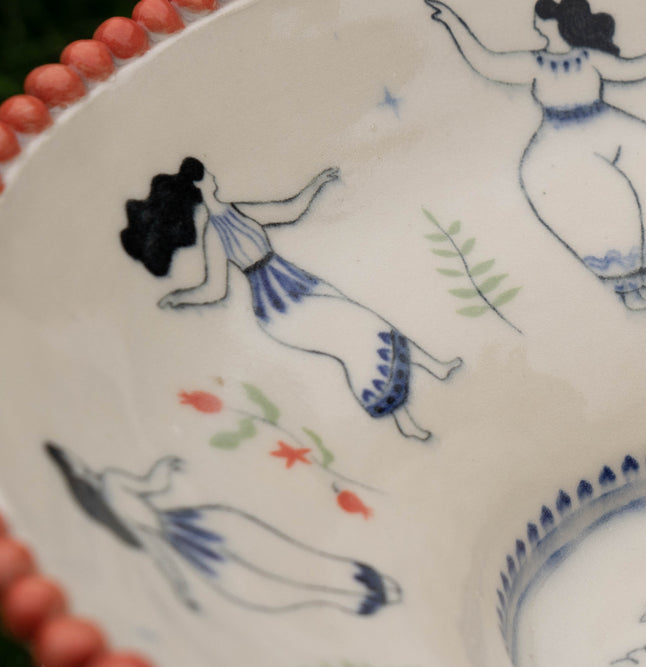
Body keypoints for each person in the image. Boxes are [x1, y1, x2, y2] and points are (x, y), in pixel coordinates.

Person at [120, 159, 461, 441]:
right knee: (359, 339)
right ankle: (407, 418)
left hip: (299, 285)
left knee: (369, 326)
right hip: (282, 307)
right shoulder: (214, 233)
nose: (213, 174)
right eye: (207, 173)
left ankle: (434, 370)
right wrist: (177, 298)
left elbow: (289, 210)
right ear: (201, 185)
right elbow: (215, 290)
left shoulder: (237, 211)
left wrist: (318, 182)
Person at [425, 0, 646, 310]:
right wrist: (452, 22)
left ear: (558, 24)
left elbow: (636, 69)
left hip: (605, 122)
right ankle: (628, 290)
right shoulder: (534, 63)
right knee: (610, 203)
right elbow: (486, 62)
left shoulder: (589, 57)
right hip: (562, 140)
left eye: (542, 16)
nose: (536, 21)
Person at [46, 442, 401, 616]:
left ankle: (355, 593)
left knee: (263, 575)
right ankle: (360, 584)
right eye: (77, 467)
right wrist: (165, 468)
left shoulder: (109, 499)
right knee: (267, 566)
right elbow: (153, 492)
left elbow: (153, 534)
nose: (82, 468)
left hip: (187, 537)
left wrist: (181, 588)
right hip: (190, 528)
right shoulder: (112, 484)